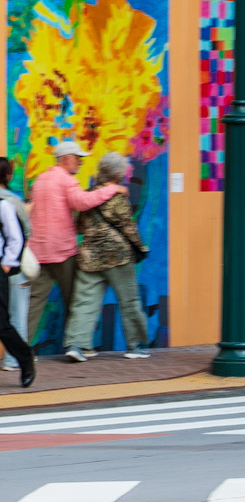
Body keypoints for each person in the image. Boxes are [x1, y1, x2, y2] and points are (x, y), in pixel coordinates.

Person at [26, 140, 127, 353]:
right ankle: (79, 345)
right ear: (65, 159)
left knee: (35, 302)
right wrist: (112, 188)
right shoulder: (66, 180)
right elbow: (82, 202)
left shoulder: (40, 180)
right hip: (62, 251)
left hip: (39, 252)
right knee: (75, 299)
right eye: (77, 158)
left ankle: (22, 351)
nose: (80, 163)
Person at [66, 152, 151, 362]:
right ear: (118, 173)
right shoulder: (117, 196)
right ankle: (136, 346)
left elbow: (81, 226)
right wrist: (141, 247)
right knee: (129, 300)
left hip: (89, 256)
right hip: (117, 256)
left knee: (84, 302)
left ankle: (76, 345)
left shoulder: (89, 195)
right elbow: (127, 225)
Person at [0, 158, 35, 385]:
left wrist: (6, 264)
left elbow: (16, 237)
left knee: (2, 323)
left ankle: (25, 359)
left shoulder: (4, 204)